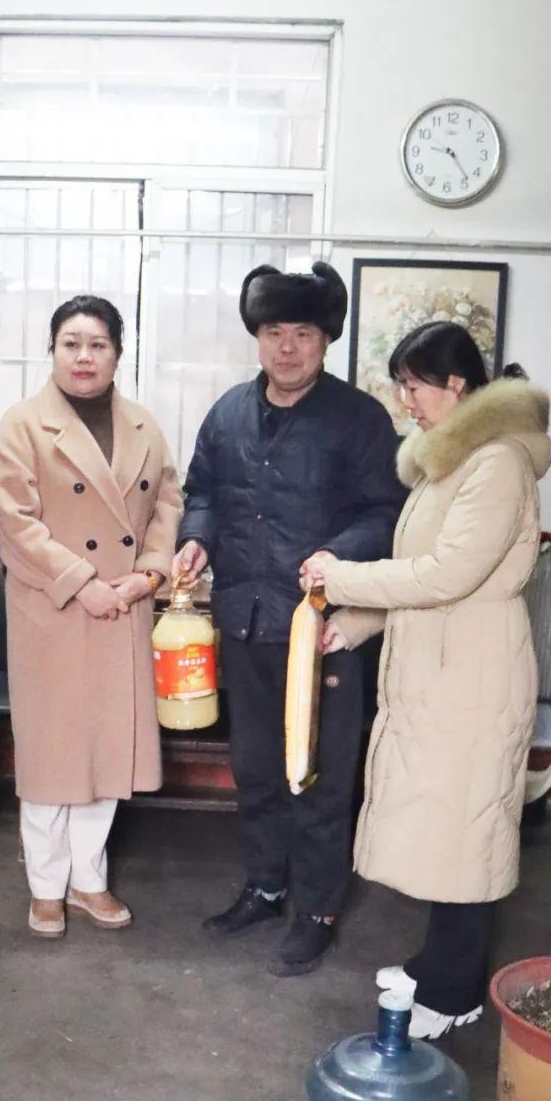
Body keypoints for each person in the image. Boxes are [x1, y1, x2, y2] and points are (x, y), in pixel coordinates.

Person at [301, 322, 551, 1040]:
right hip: (442, 667)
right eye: (401, 385)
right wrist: (353, 624)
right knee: (448, 827)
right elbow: (421, 576)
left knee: (468, 830)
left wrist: (340, 576)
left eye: (413, 385)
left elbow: (447, 575)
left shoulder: (497, 463)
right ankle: (436, 962)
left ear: (457, 386)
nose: (404, 399)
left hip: (473, 673)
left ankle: (453, 992)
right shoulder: (452, 459)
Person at [173, 263, 403, 975]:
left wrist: (338, 554)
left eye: (303, 333)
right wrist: (196, 537)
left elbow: (386, 513)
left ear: (326, 340)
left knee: (321, 778)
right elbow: (202, 491)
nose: (288, 347)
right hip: (244, 622)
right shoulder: (227, 414)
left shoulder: (360, 419)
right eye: (275, 332)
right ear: (258, 337)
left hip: (324, 632)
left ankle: (318, 910)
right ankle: (265, 887)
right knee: (257, 770)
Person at [0, 295, 182, 936]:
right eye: (70, 343)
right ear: (52, 350)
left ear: (118, 354)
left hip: (124, 607)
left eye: (97, 344)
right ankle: (45, 885)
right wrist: (82, 583)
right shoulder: (22, 425)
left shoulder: (143, 426)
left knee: (106, 753)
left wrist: (148, 574)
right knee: (52, 756)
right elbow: (16, 525)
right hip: (53, 610)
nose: (83, 356)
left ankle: (88, 881)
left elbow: (168, 507)